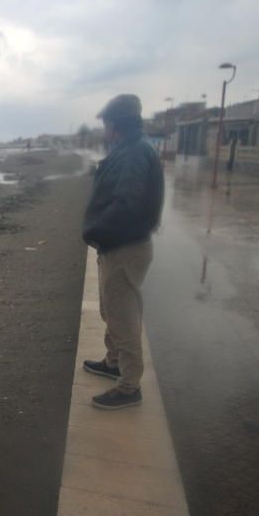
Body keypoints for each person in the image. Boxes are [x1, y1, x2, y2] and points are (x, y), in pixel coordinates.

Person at [81, 94, 164, 410]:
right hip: (117, 244)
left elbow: (126, 204)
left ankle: (129, 387)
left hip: (124, 246)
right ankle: (113, 361)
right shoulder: (130, 149)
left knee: (123, 317)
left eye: (106, 123)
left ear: (115, 124)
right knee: (111, 310)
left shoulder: (133, 154)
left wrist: (96, 230)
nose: (104, 129)